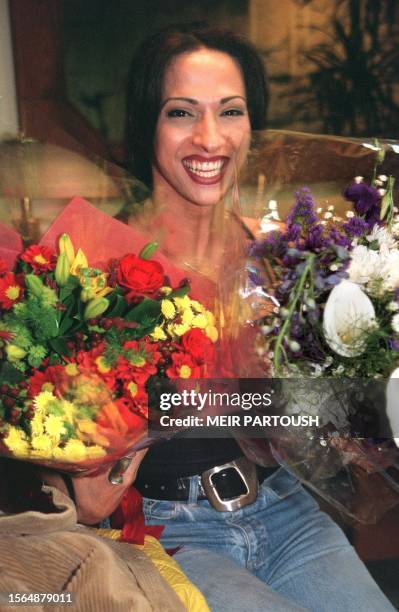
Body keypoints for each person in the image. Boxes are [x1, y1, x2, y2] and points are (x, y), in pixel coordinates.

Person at [50, 22, 394, 612]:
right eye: (182, 113)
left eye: (230, 112)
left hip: (287, 511)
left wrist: (350, 415)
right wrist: (80, 480)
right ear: (147, 124)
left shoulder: (289, 255)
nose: (210, 139)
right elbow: (54, 438)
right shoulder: (89, 257)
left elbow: (318, 414)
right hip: (168, 531)